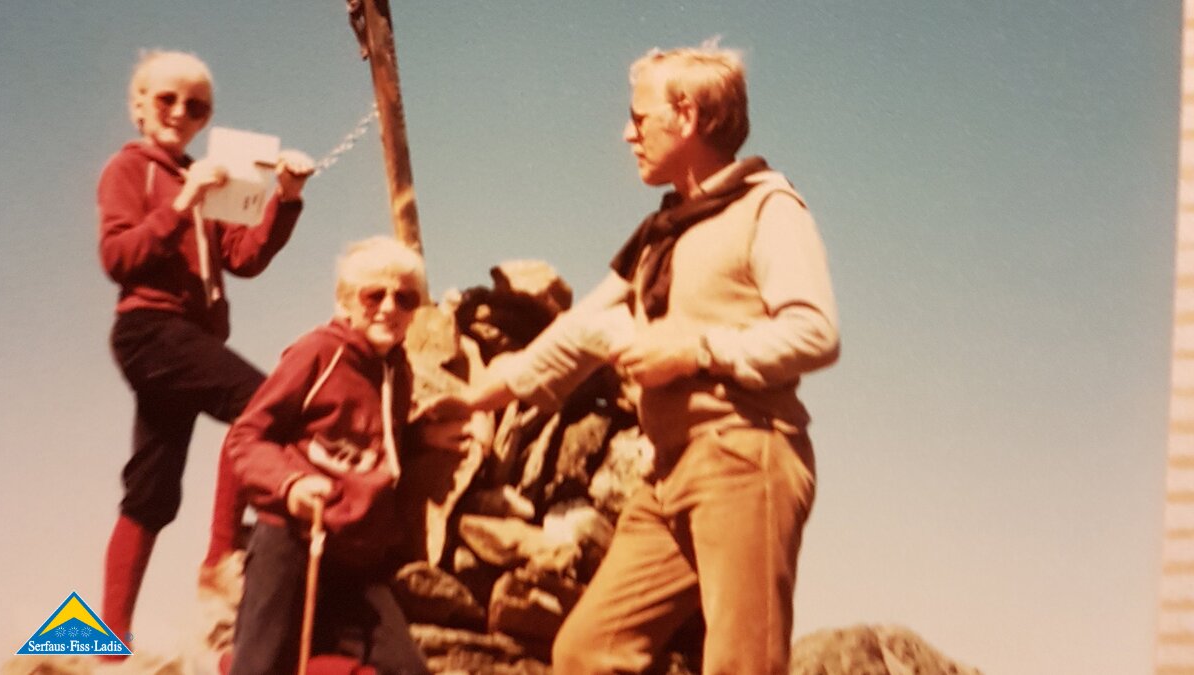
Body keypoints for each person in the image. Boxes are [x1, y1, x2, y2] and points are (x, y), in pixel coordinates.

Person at [426, 41, 840, 674]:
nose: (627, 133)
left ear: (688, 114)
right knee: (589, 651)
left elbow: (815, 333)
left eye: (639, 117)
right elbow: (576, 336)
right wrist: (473, 399)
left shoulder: (768, 207)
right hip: (667, 473)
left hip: (743, 454)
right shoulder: (660, 236)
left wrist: (695, 349)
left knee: (743, 665)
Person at [96, 49, 314, 650]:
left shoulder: (209, 175)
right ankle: (220, 560)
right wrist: (182, 202)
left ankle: (105, 637)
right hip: (150, 331)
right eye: (166, 99)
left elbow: (242, 257)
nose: (179, 112)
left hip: (188, 339)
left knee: (153, 491)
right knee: (265, 406)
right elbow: (118, 258)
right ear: (139, 106)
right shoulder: (130, 169)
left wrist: (285, 198)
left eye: (196, 106)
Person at [225, 236, 430, 675]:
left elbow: (382, 446)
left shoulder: (399, 372)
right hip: (293, 539)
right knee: (261, 668)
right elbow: (246, 437)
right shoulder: (317, 352)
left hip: (356, 560)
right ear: (345, 302)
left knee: (406, 670)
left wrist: (430, 435)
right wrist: (292, 484)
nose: (390, 307)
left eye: (405, 297)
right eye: (374, 294)